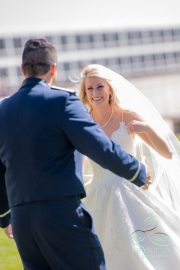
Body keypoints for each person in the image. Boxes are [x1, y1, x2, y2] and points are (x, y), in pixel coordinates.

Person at [0, 39, 150, 270]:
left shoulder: (3, 110)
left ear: (22, 70)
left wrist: (6, 215)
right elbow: (98, 146)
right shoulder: (63, 101)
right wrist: (136, 171)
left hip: (22, 221)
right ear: (53, 69)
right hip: (60, 214)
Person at [78, 64, 180, 270]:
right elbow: (78, 165)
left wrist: (147, 129)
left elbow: (167, 153)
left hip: (133, 193)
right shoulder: (83, 123)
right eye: (90, 89)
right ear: (85, 93)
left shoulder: (128, 116)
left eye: (99, 87)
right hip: (98, 196)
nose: (95, 93)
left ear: (109, 89)